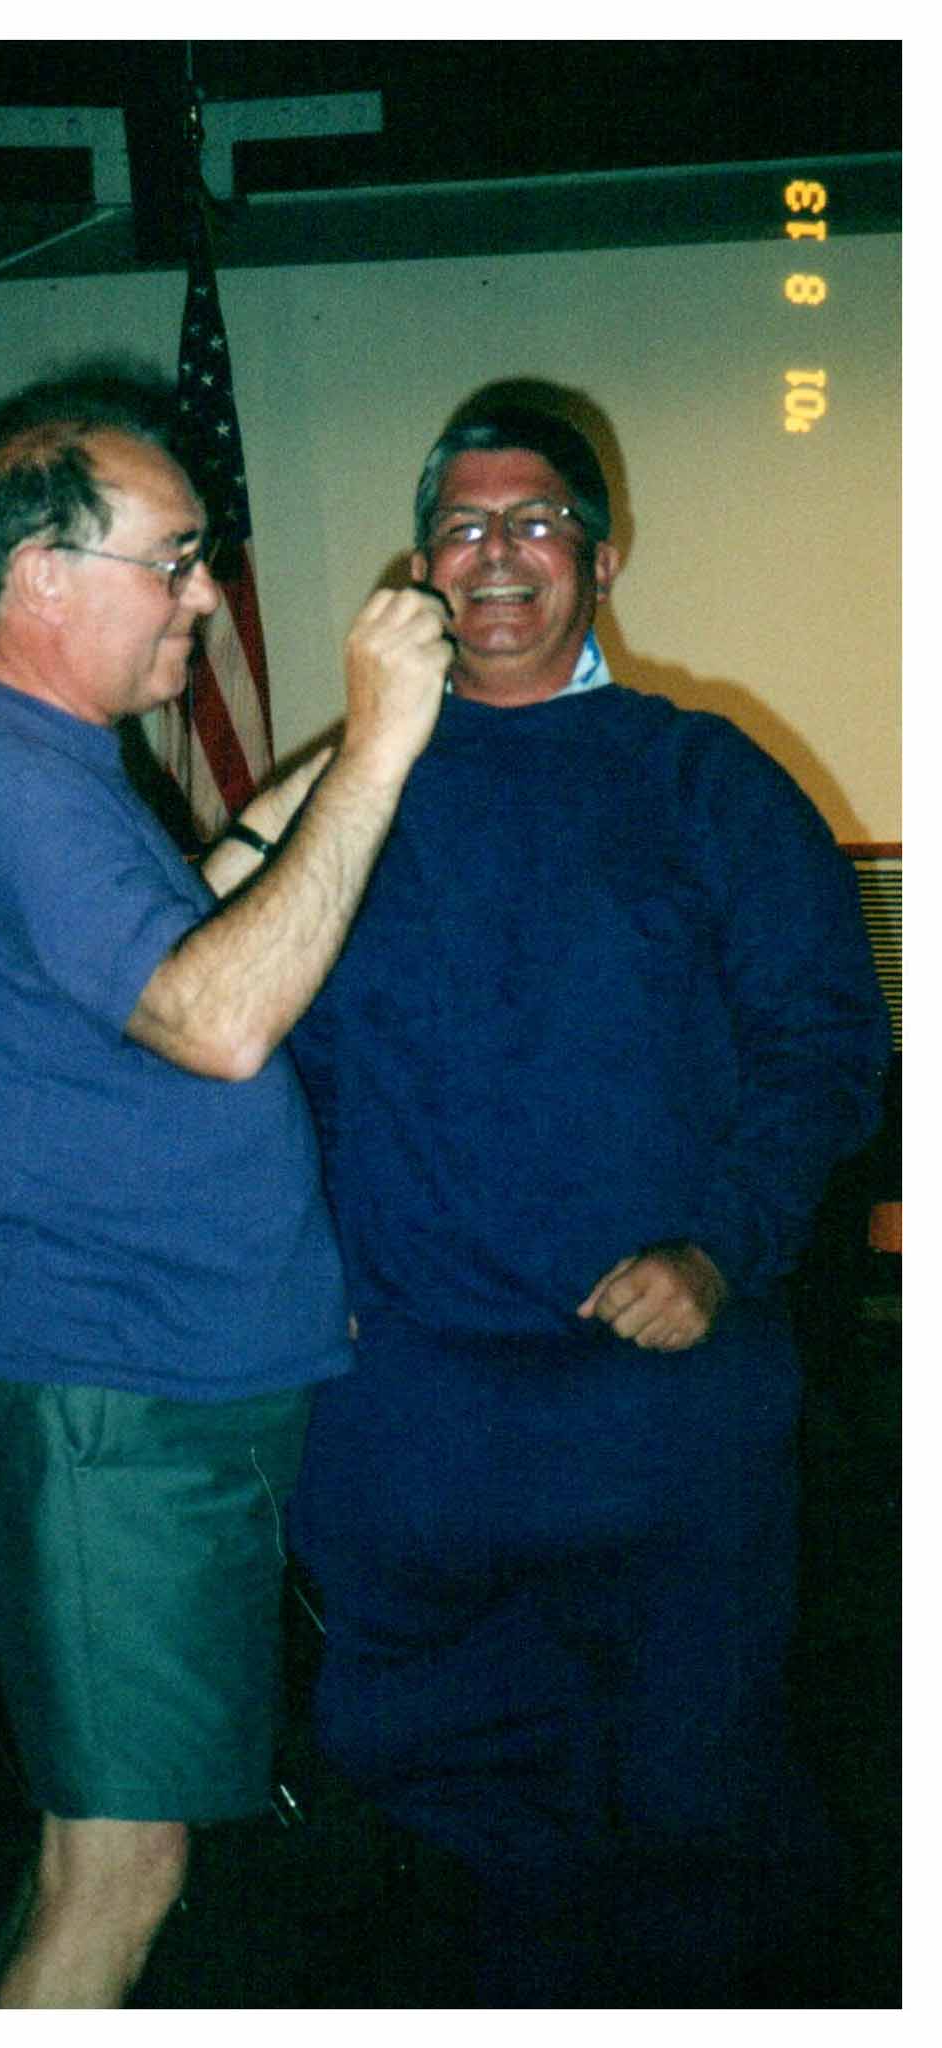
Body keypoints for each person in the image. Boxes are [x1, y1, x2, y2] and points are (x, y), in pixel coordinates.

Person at [276, 400, 892, 2005]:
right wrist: (315, 1270)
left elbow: (828, 1049)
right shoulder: (351, 796)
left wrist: (723, 1249)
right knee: (458, 1838)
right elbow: (283, 1057)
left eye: (537, 522)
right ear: (422, 568)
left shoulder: (704, 780)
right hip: (417, 1425)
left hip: (660, 1416)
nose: (497, 556)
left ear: (602, 562)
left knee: (698, 1824)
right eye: (463, 528)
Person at [0, 368, 448, 2008]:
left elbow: (193, 920)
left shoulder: (37, 763)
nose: (204, 593)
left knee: (100, 1855)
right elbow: (218, 1015)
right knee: (119, 1877)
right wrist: (378, 754)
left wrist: (339, 766)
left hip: (147, 1389)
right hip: (107, 1400)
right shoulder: (5, 774)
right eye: (175, 559)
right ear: (43, 574)